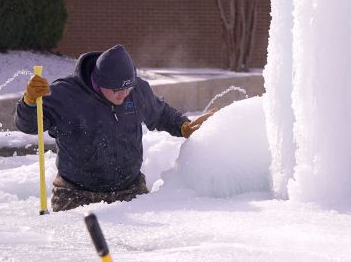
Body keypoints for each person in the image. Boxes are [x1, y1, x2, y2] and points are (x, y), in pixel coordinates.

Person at [15, 44, 215, 212]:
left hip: (130, 191)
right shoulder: (65, 94)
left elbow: (160, 113)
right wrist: (29, 103)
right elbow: (29, 125)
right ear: (98, 82)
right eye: (117, 90)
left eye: (128, 88)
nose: (124, 95)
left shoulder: (137, 92)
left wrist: (182, 126)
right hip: (75, 194)